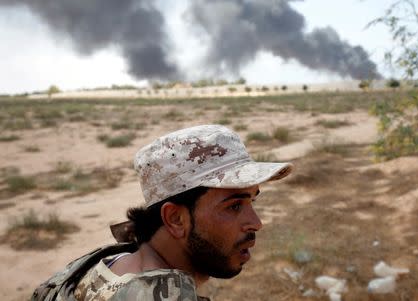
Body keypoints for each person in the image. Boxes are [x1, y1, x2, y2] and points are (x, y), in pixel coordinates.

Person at [36, 124, 293, 301]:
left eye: (252, 201)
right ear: (175, 219)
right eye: (234, 206)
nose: (256, 223)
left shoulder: (113, 262)